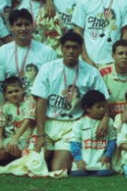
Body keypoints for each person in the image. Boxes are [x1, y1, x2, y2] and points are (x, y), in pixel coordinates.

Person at [31, 31, 110, 173]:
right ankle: (45, 155)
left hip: (72, 126)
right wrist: (41, 135)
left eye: (75, 47)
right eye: (67, 47)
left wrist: (105, 118)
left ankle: (56, 158)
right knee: (33, 165)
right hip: (49, 123)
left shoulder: (91, 72)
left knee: (59, 169)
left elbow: (103, 99)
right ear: (61, 48)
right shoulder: (48, 69)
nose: (71, 51)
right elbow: (41, 103)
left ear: (80, 49)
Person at [0, 9, 57, 92]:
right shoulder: (2, 52)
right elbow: (0, 84)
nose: (23, 28)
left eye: (27, 24)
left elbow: (51, 82)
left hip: (36, 98)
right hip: (10, 100)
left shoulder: (47, 52)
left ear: (32, 26)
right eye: (19, 25)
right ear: (11, 27)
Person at [69, 90, 116, 177]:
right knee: (78, 174)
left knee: (104, 173)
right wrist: (78, 159)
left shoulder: (109, 122)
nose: (102, 109)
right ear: (87, 108)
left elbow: (112, 141)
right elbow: (75, 143)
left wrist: (107, 155)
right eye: (98, 107)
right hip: (83, 161)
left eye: (103, 106)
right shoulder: (79, 123)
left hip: (101, 160)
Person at [0, 77, 35, 161]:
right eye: (10, 92)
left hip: (27, 138)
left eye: (16, 91)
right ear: (5, 95)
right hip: (10, 138)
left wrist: (15, 139)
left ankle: (18, 159)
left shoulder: (30, 101)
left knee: (18, 150)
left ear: (22, 90)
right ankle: (12, 159)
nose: (14, 94)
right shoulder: (5, 106)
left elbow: (28, 120)